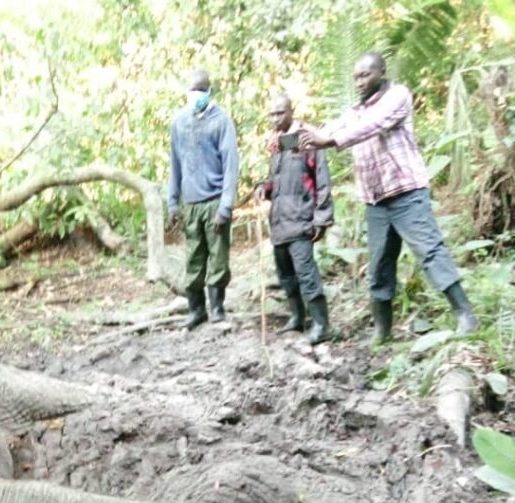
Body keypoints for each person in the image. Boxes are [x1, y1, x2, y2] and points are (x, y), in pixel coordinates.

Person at [299, 52, 477, 341]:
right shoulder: (355, 110)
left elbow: (371, 126)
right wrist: (299, 137)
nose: (359, 81)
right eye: (356, 76)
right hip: (376, 200)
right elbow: (331, 129)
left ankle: (465, 315)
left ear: (381, 72)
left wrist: (328, 140)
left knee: (430, 251)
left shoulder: (397, 96)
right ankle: (382, 332)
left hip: (406, 193)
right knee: (380, 266)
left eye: (365, 75)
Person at [257, 94, 333, 344]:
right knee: (286, 275)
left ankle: (322, 325)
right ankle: (297, 317)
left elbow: (322, 180)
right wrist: (264, 188)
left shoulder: (308, 139)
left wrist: (322, 217)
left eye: (280, 113)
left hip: (301, 221)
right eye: (272, 114)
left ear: (291, 112)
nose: (275, 118)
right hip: (279, 222)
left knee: (307, 275)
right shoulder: (276, 144)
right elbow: (276, 181)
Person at [169, 70, 239, 329]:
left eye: (199, 90)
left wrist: (226, 206)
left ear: (209, 92)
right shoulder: (179, 122)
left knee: (218, 258)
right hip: (192, 203)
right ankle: (196, 309)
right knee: (193, 258)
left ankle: (218, 308)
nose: (194, 95)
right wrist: (173, 203)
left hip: (214, 201)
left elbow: (231, 165)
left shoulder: (222, 122)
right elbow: (174, 164)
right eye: (191, 90)